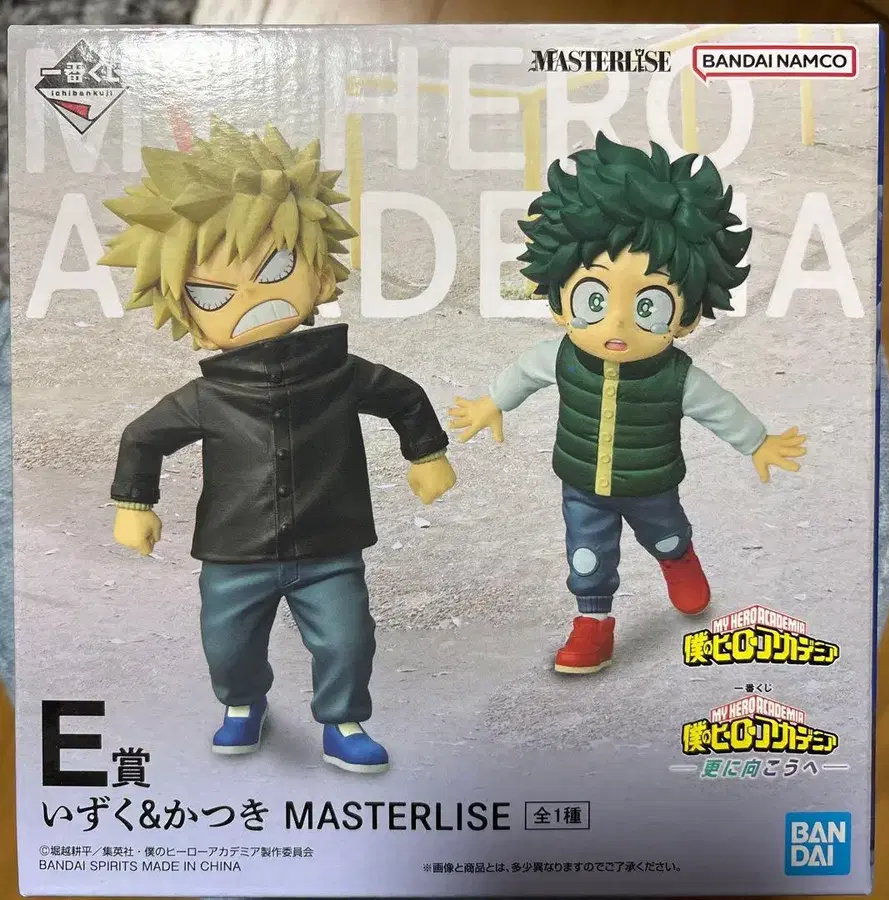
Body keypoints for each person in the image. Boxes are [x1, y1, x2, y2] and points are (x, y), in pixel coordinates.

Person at [101, 118, 457, 773]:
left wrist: (426, 453)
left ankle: (344, 720)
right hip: (234, 553)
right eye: (212, 293)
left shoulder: (340, 373)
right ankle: (242, 705)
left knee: (347, 639)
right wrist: (134, 503)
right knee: (227, 643)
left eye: (276, 267)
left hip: (330, 545)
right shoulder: (207, 395)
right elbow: (143, 437)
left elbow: (403, 396)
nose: (251, 296)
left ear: (319, 276)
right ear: (189, 316)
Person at [450, 131, 805, 676]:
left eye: (648, 306)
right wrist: (491, 404)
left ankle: (678, 558)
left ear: (686, 318)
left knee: (665, 531)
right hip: (581, 482)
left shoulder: (676, 376)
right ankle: (592, 620)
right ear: (559, 302)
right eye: (594, 299)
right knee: (586, 554)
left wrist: (757, 442)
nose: (617, 322)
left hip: (651, 482)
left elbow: (719, 407)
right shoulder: (561, 357)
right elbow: (522, 374)